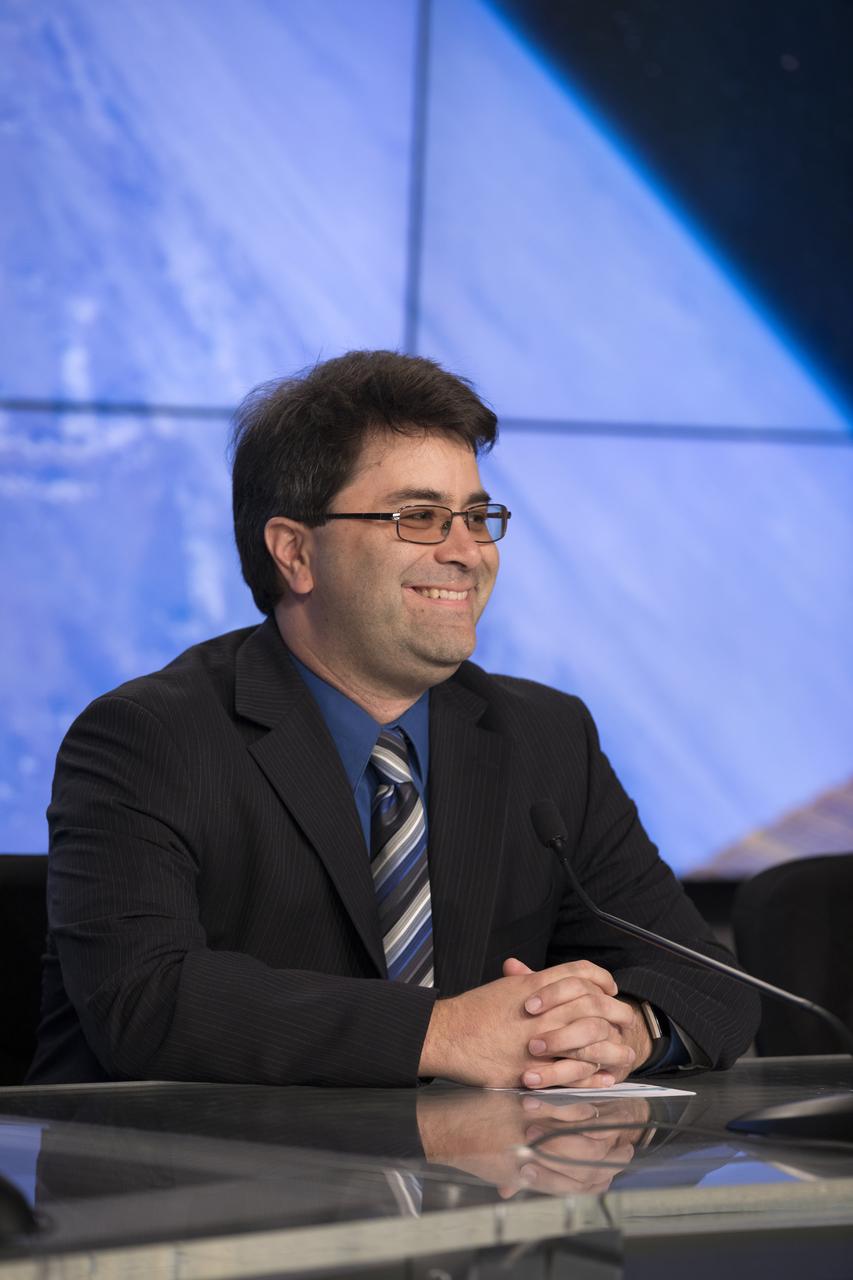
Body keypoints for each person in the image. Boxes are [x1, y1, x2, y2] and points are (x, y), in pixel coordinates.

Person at [29, 350, 759, 1087]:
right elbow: (144, 999)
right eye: (420, 518)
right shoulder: (147, 737)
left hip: (476, 1161)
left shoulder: (546, 736)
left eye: (477, 517)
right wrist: (444, 1033)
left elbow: (711, 983)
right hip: (186, 1157)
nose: (467, 552)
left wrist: (625, 1030)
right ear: (295, 553)